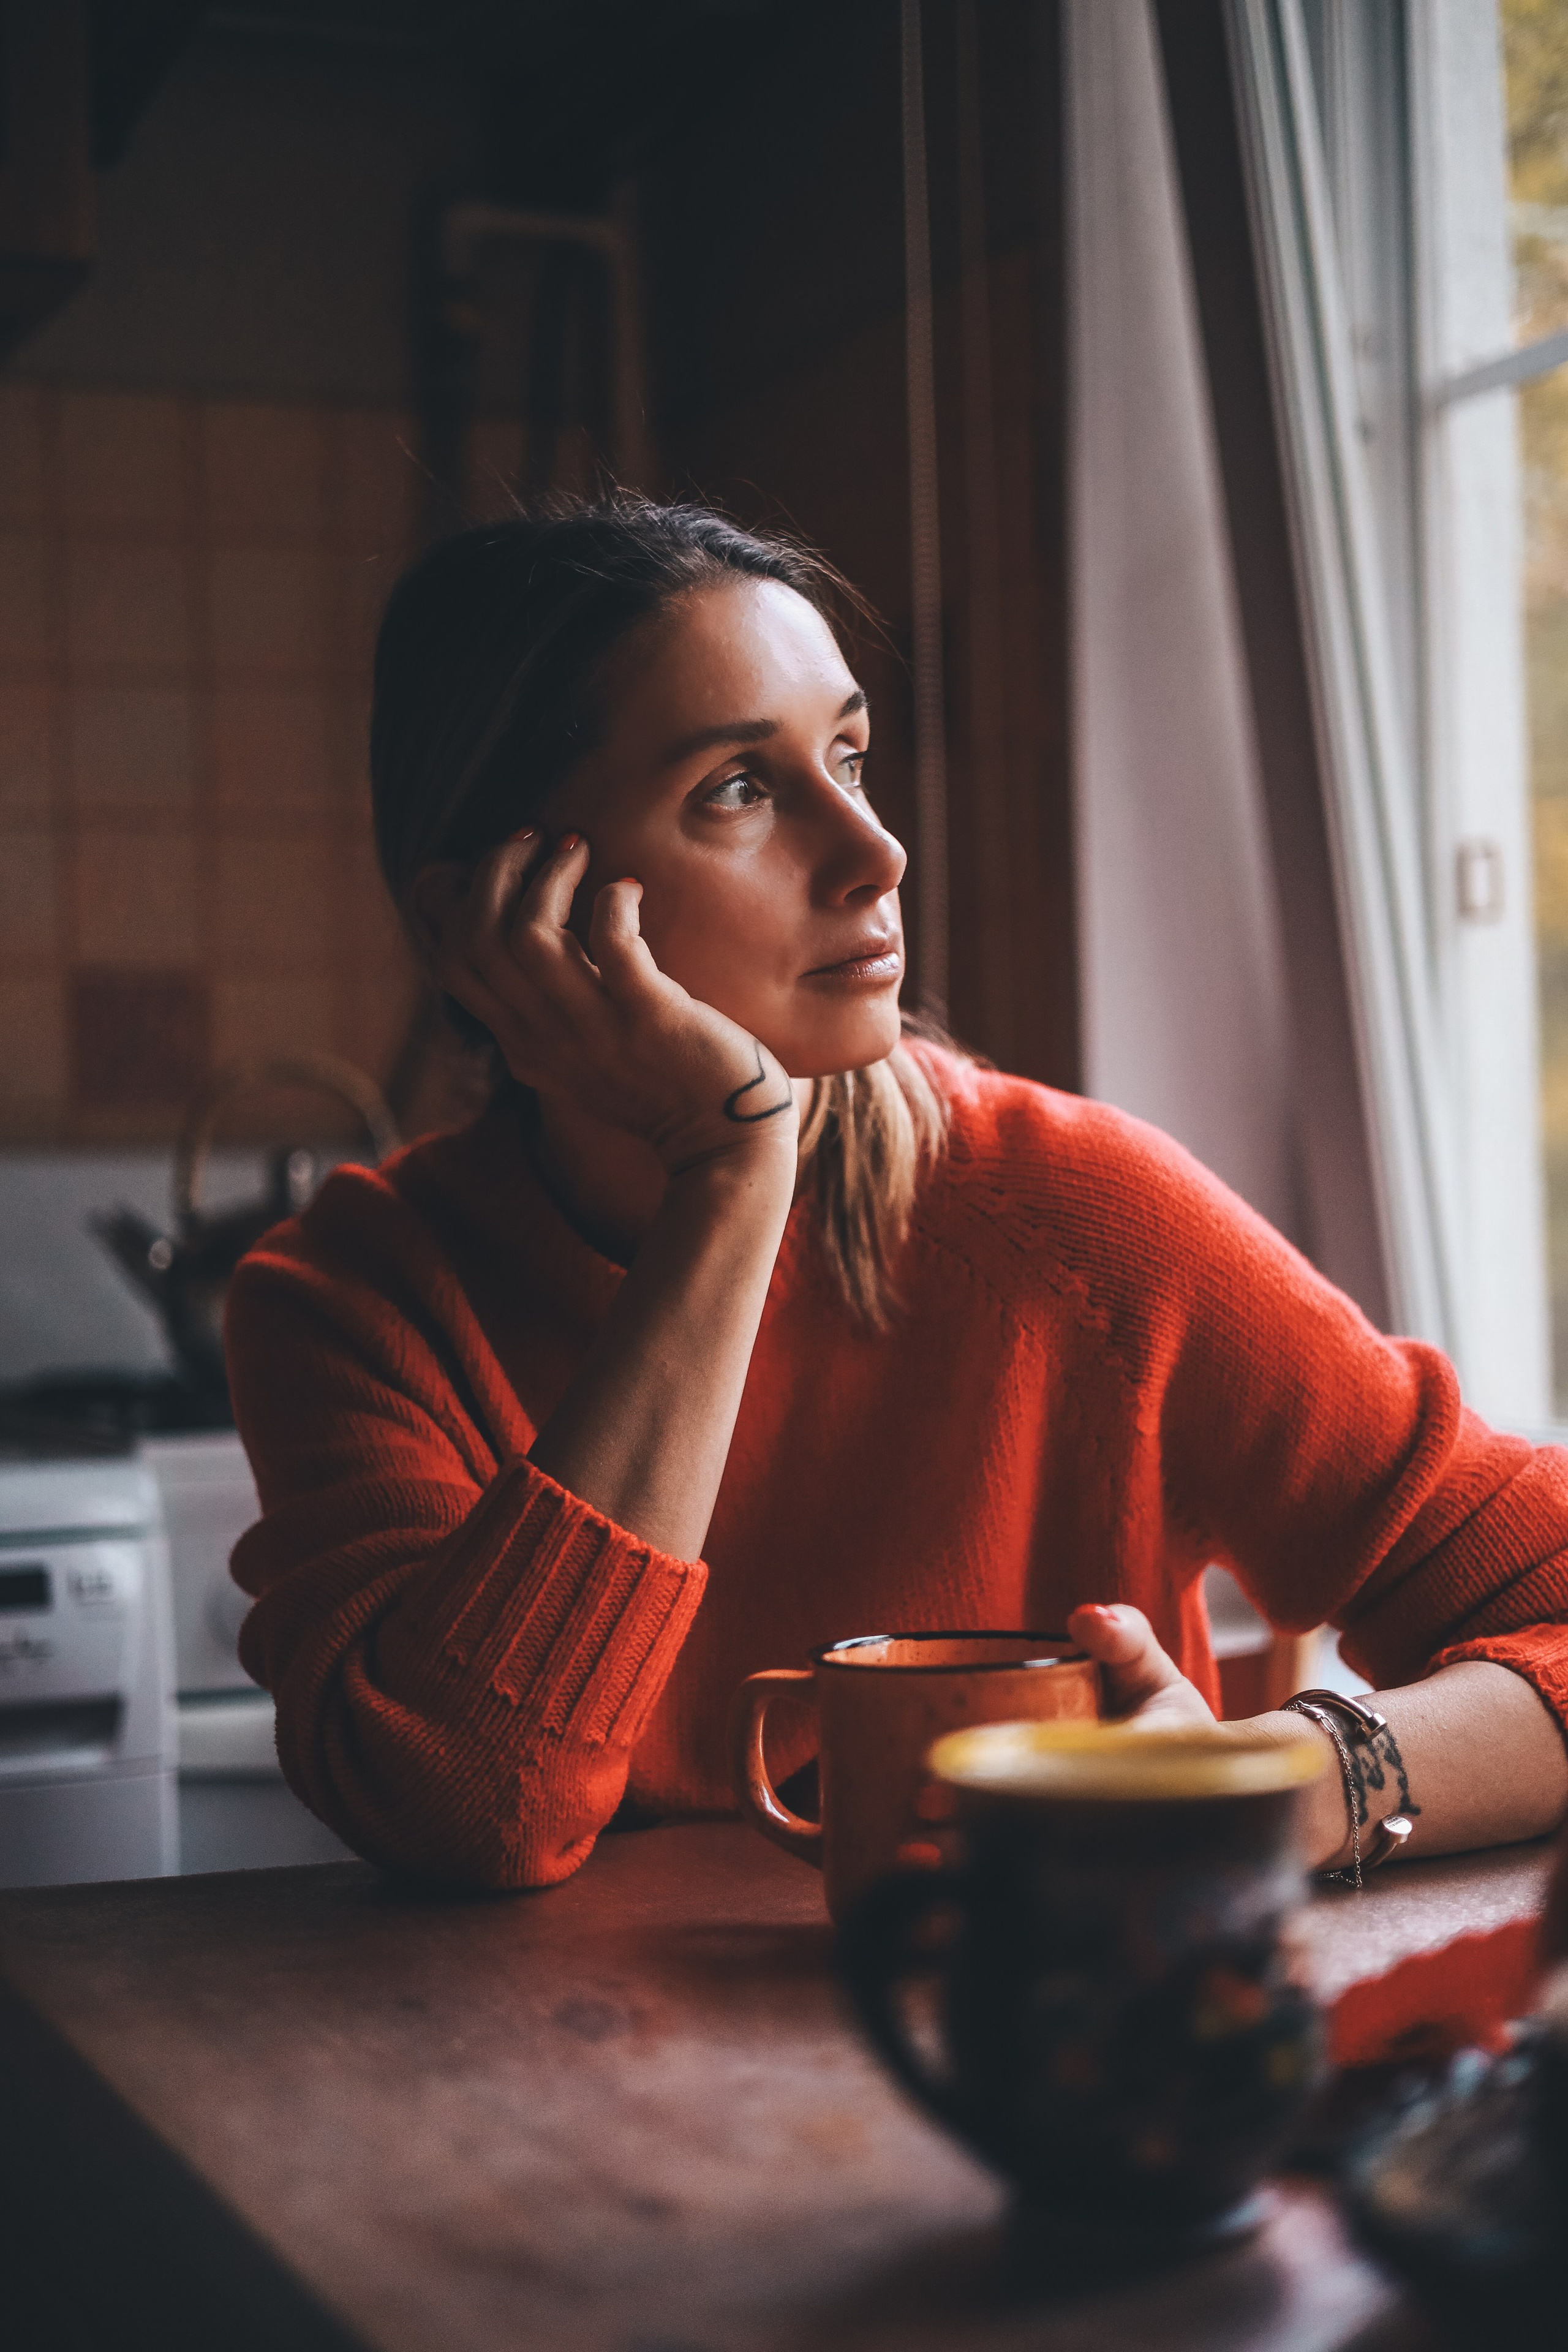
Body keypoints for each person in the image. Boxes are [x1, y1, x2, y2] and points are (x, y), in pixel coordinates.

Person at [225, 496, 1568, 1891]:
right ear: (488, 919)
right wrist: (732, 1173)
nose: (875, 853)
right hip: (528, 2097)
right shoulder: (351, 1301)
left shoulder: (1074, 1219)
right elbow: (467, 1810)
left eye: (848, 756)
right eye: (737, 789)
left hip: (1024, 2070)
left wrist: (1294, 1782)